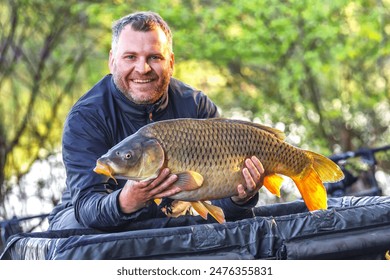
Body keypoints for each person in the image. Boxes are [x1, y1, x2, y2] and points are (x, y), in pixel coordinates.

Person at [48, 11, 265, 231]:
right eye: (130, 57)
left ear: (170, 62)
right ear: (112, 61)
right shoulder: (87, 117)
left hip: (172, 216)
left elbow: (216, 206)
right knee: (81, 230)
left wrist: (240, 198)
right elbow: (87, 206)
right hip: (85, 221)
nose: (143, 69)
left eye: (154, 57)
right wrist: (127, 201)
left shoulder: (196, 106)